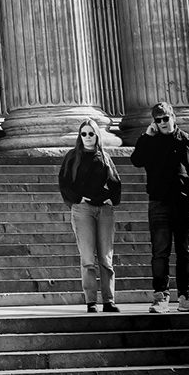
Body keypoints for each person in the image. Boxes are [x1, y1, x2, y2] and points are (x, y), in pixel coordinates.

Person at [131, 99, 189, 314]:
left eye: (166, 118)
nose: (163, 122)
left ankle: (186, 297)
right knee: (160, 253)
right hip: (159, 204)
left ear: (173, 117)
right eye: (159, 120)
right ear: (154, 122)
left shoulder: (188, 141)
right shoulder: (151, 141)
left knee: (186, 253)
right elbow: (136, 160)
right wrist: (146, 136)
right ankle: (161, 298)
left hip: (185, 205)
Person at [57, 122, 123, 312]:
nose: (87, 137)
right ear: (80, 136)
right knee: (87, 258)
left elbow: (116, 182)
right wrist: (78, 198)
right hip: (83, 209)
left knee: (106, 258)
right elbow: (64, 182)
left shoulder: (104, 157)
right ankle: (91, 301)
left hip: (104, 210)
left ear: (97, 136)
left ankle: (109, 301)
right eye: (84, 133)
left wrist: (113, 199)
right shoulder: (72, 157)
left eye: (91, 134)